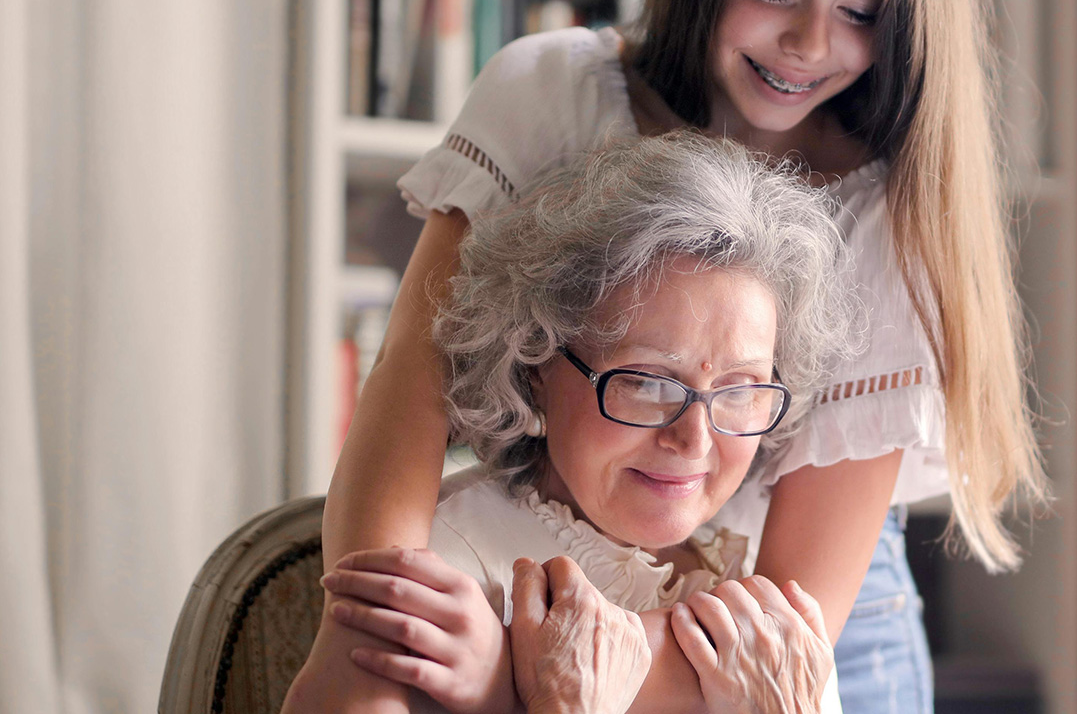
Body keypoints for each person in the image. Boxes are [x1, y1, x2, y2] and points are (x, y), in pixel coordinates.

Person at [290, 0, 1048, 711]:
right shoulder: (556, 92)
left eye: (860, 9)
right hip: (572, 568)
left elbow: (771, 645)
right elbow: (413, 376)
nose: (810, 44)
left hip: (798, 610)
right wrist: (375, 611)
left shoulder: (890, 212)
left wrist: (503, 665)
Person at [287, 133, 855, 713]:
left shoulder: (767, 612)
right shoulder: (446, 570)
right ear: (536, 363)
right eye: (646, 382)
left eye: (740, 390)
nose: (695, 439)